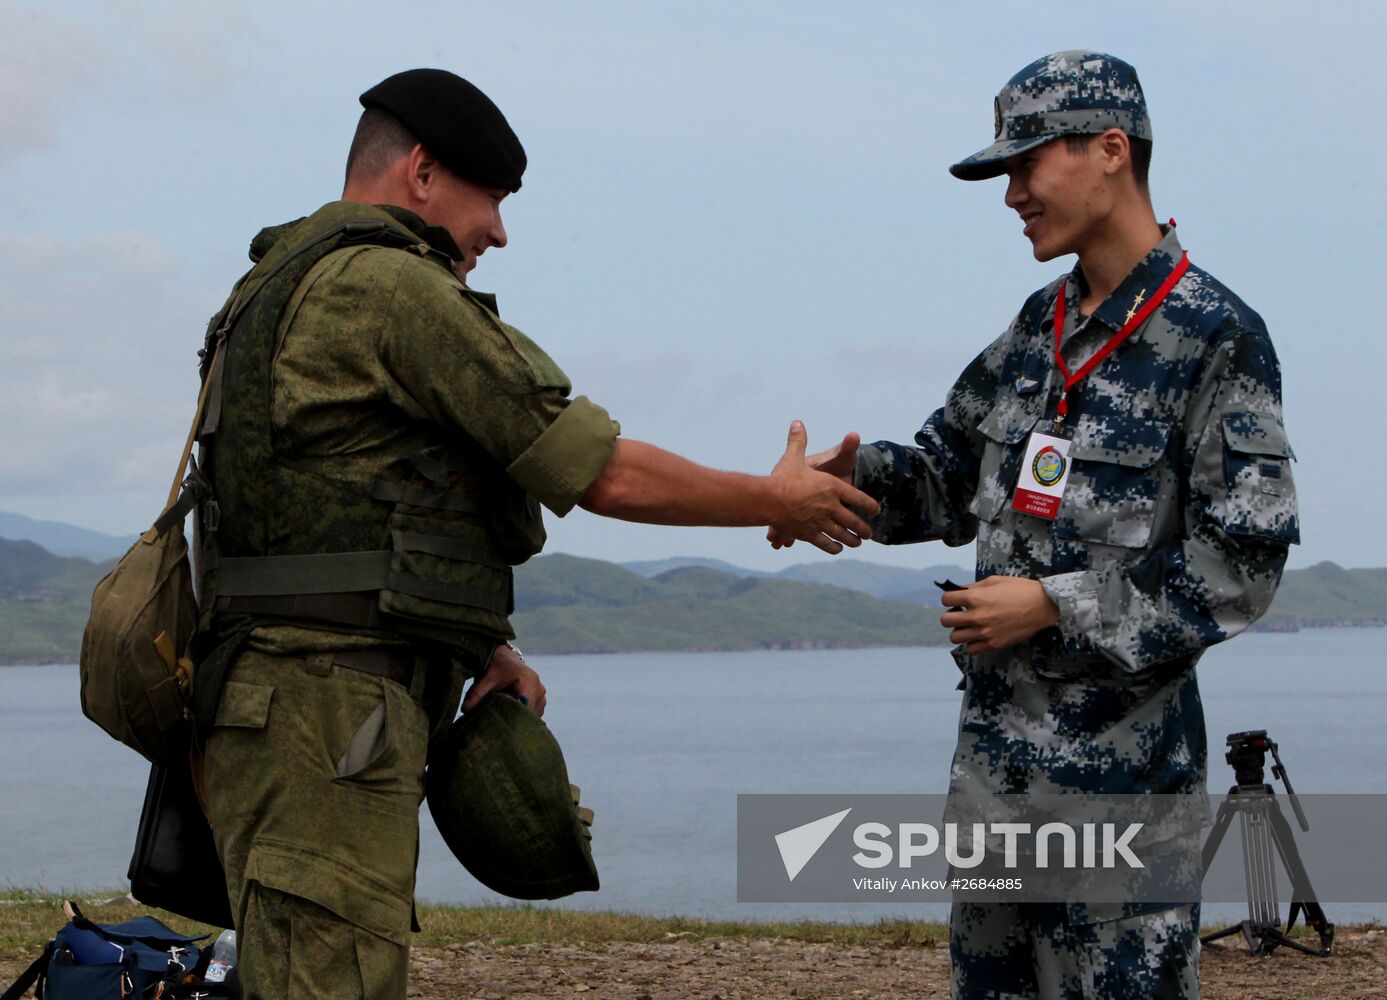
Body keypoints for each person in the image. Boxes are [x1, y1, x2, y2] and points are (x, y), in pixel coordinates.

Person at [192, 68, 879, 1000]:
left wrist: (481, 640)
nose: (500, 233)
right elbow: (601, 471)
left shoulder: (274, 283)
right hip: (326, 719)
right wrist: (773, 498)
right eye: (494, 201)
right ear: (424, 173)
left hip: (278, 707)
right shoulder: (393, 287)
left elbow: (329, 513)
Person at [776, 51, 1298, 997]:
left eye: (1026, 164)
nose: (1011, 193)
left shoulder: (1214, 335)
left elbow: (1240, 565)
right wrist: (829, 485)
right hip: (996, 792)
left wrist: (1052, 606)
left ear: (1109, 151)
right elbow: (940, 477)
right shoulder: (1036, 329)